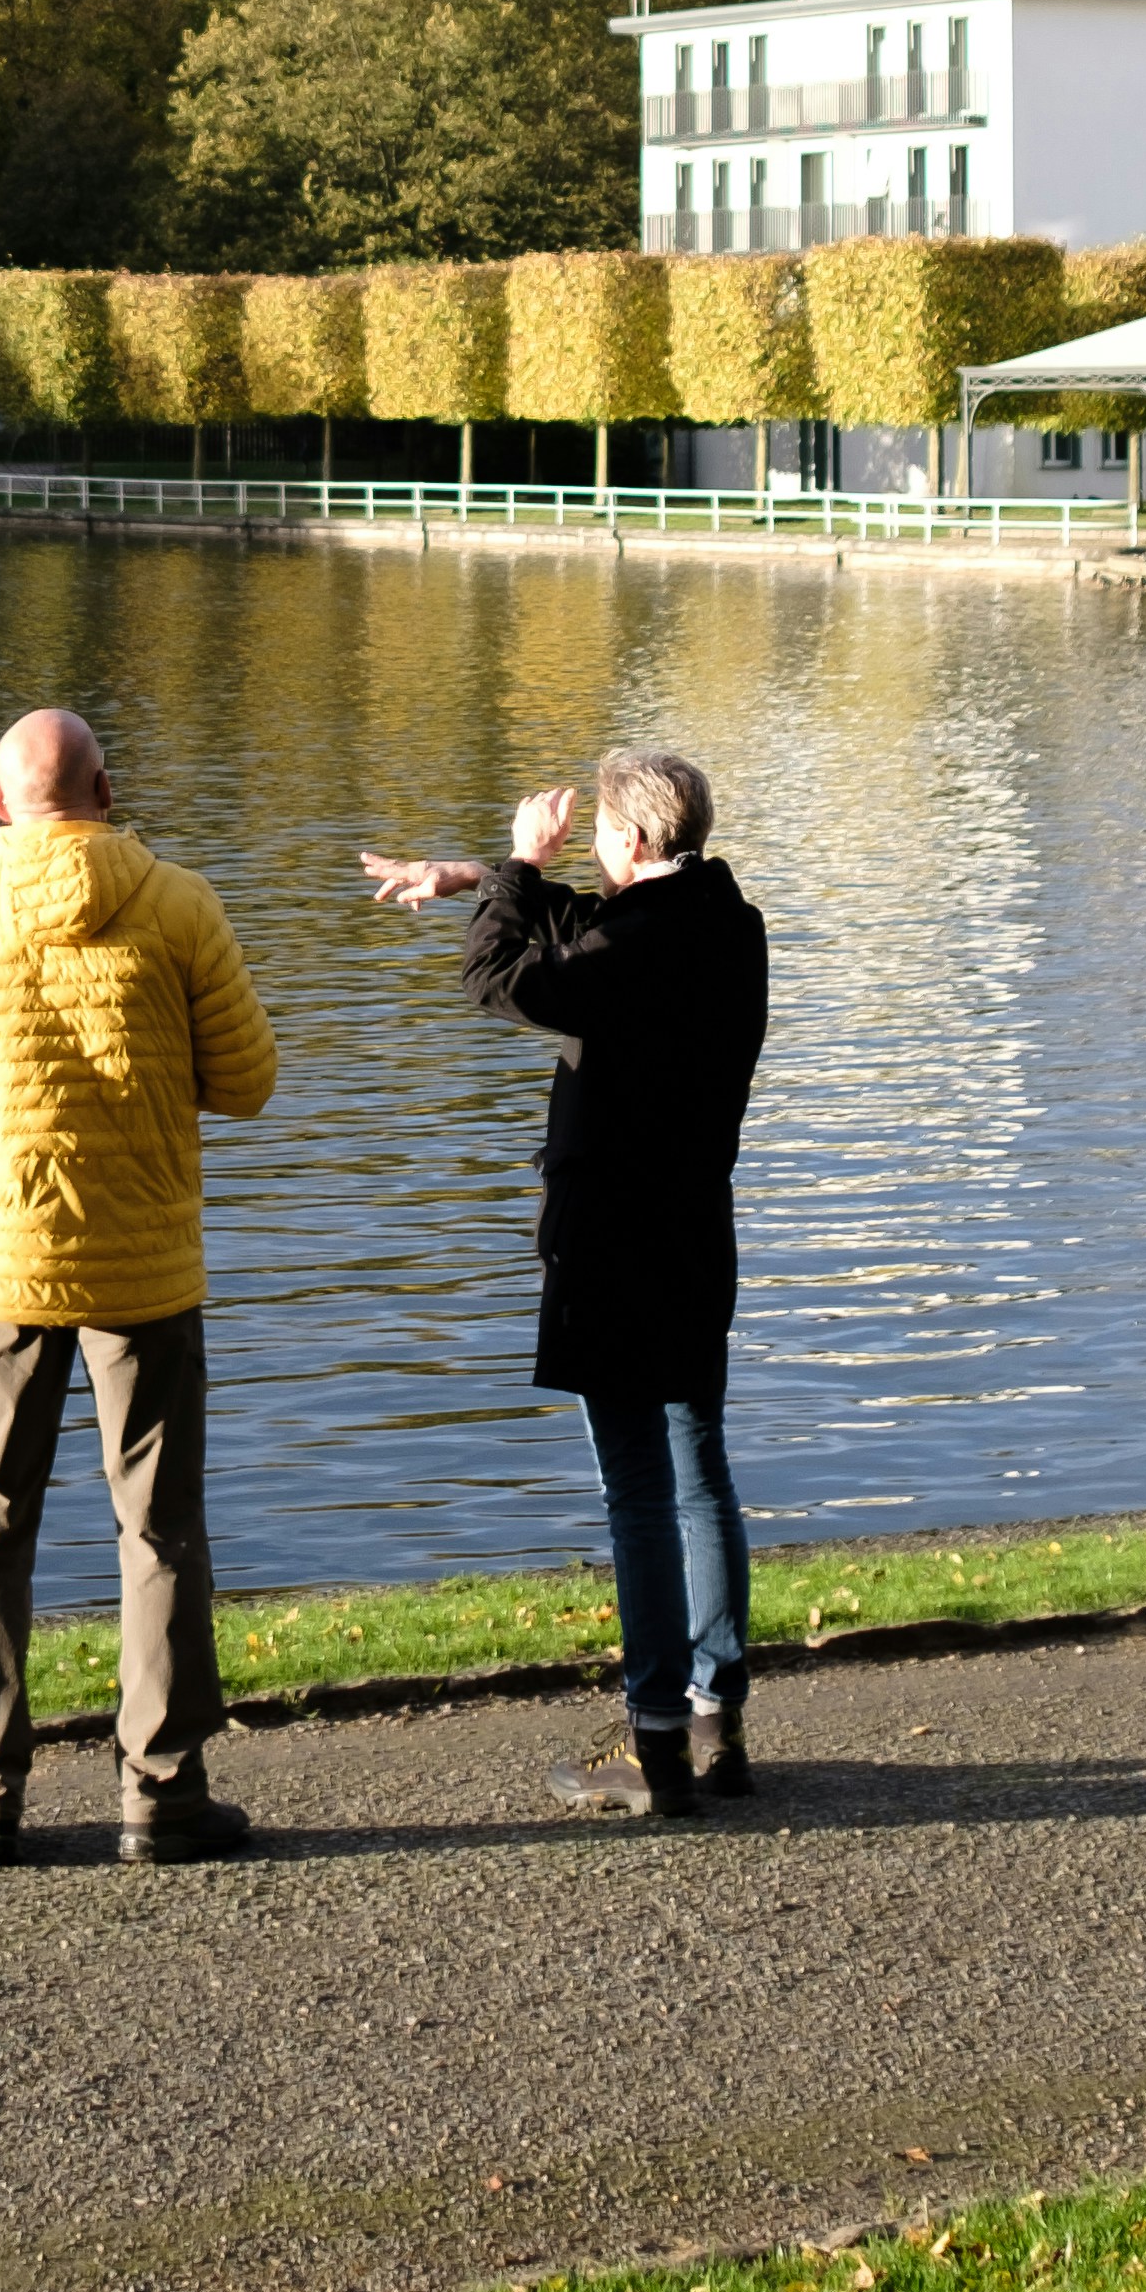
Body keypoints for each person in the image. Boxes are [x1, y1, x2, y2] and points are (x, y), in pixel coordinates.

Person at [0, 701, 278, 1872]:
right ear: (107, 790)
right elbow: (247, 1082)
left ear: (0, 804)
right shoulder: (180, 903)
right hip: (141, 1259)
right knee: (157, 1526)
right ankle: (162, 1790)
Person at [361, 745, 769, 1825]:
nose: (588, 851)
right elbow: (602, 940)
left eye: (596, 837)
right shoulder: (727, 922)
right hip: (695, 1240)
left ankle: (651, 1746)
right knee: (699, 1475)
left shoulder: (634, 947)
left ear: (630, 845)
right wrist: (475, 879)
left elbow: (497, 980)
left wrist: (512, 863)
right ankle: (714, 1717)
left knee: (637, 1492)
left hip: (613, 1251)